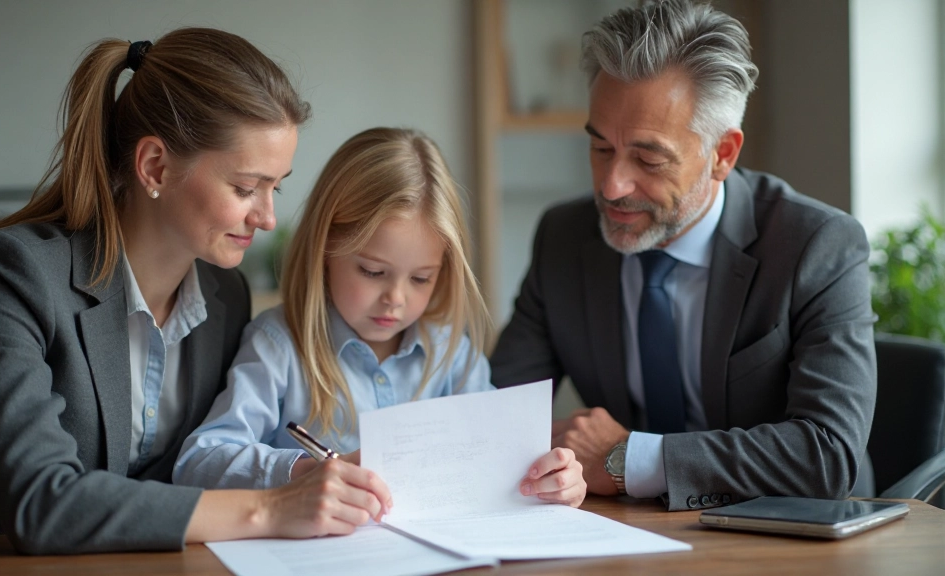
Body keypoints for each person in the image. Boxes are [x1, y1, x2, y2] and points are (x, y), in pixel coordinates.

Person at [0, 28, 392, 553]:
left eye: (274, 187)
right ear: (154, 166)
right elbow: (42, 503)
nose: (267, 217)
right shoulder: (11, 275)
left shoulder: (225, 295)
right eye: (244, 188)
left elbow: (198, 464)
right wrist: (273, 506)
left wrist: (302, 473)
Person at [489, 0, 876, 511]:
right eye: (601, 148)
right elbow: (496, 416)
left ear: (723, 154)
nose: (611, 185)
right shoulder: (563, 236)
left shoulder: (817, 245)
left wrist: (627, 458)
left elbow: (826, 454)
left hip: (794, 534)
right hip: (625, 531)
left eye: (648, 158)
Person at [173, 127, 587, 509]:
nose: (396, 299)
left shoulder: (451, 356)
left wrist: (553, 476)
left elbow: (504, 458)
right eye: (372, 272)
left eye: (422, 278)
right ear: (325, 251)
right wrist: (304, 472)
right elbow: (199, 462)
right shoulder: (279, 345)